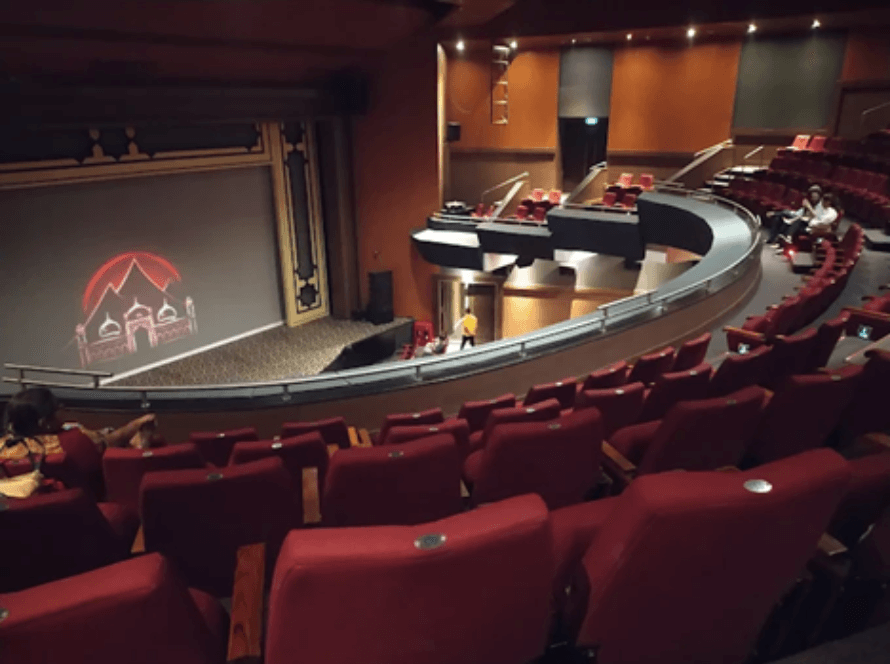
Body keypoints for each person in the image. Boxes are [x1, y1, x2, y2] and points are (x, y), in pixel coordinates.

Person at [1, 387, 158, 496]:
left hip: (28, 522)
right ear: (44, 423)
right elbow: (113, 441)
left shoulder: (3, 448)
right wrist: (138, 423)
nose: (62, 407)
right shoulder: (73, 441)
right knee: (141, 442)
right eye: (57, 407)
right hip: (88, 513)